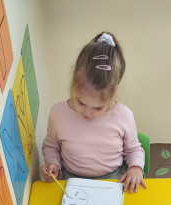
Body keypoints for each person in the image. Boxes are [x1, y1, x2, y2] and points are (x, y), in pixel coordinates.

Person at [41, 32, 146, 194]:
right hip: (72, 179)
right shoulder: (58, 114)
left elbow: (134, 150)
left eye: (98, 108)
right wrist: (53, 163)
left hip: (114, 178)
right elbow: (51, 146)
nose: (88, 113)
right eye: (81, 103)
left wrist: (136, 168)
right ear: (73, 83)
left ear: (113, 92)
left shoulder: (124, 115)